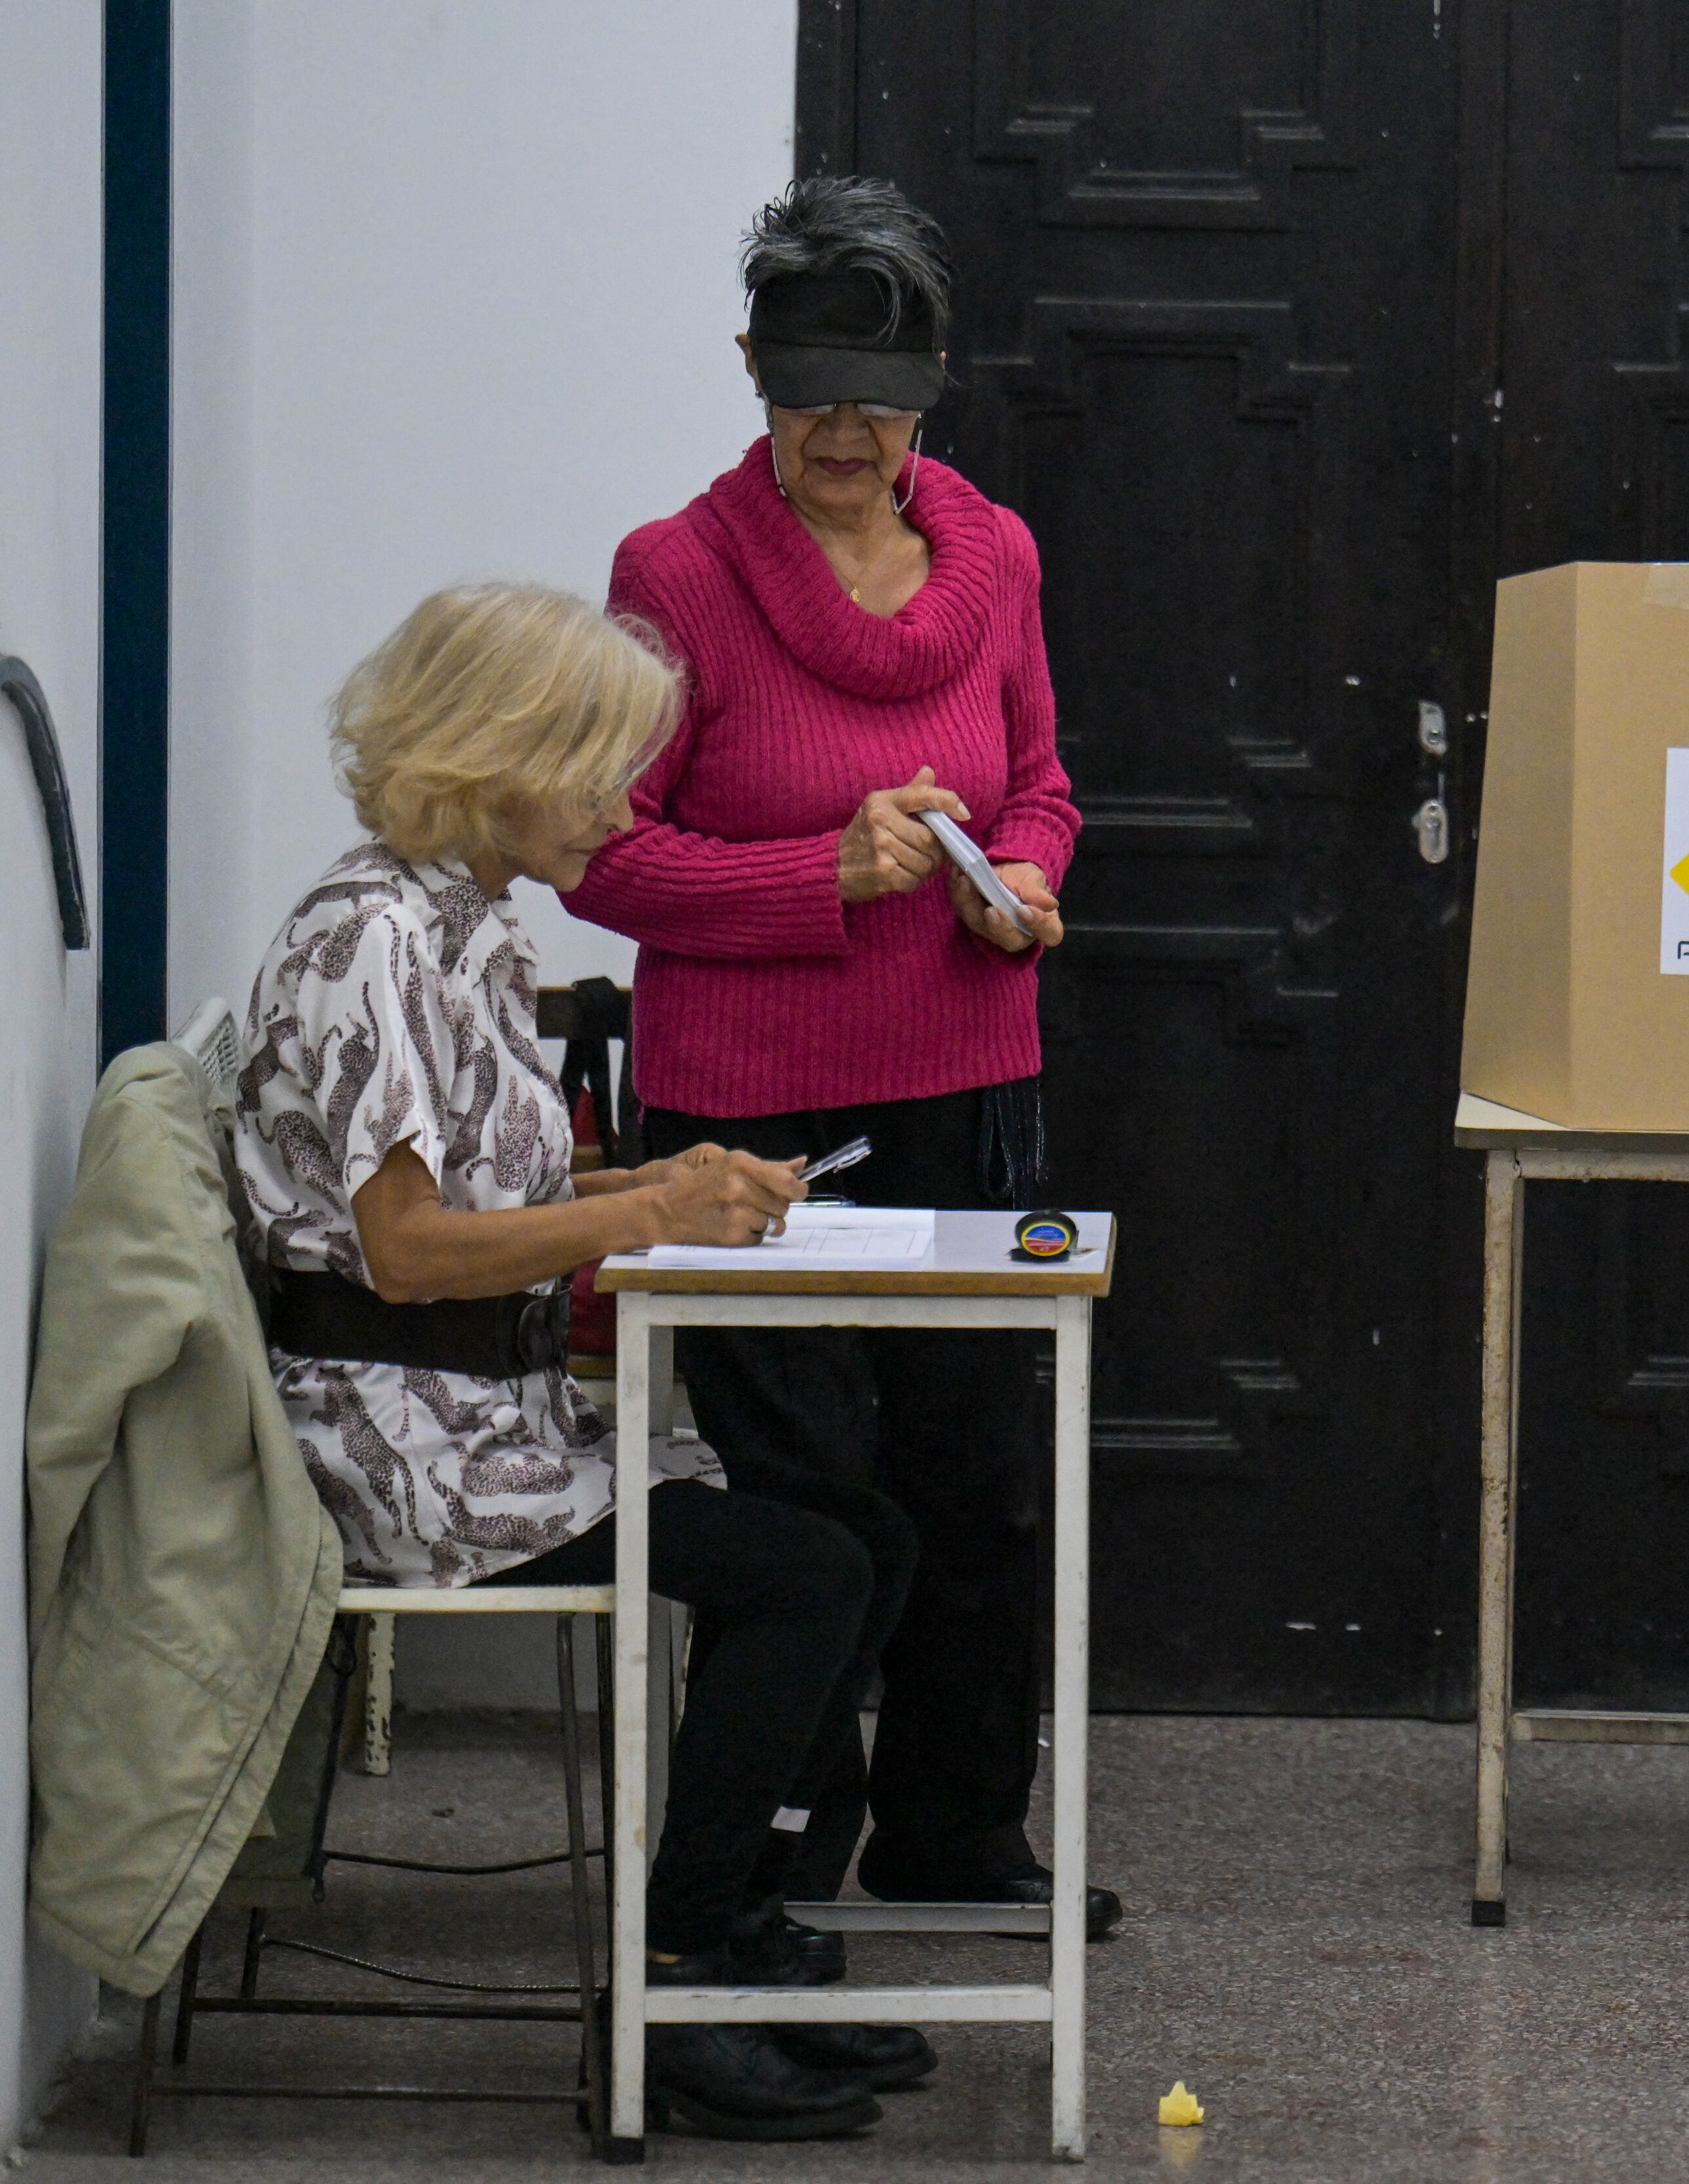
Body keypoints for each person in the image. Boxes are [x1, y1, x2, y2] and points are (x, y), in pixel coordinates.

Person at [238, 582, 933, 2139]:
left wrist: (668, 1188)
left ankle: (733, 1937)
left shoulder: (465, 928)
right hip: (403, 1446)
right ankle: (678, 1973)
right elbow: (408, 1252)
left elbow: (504, 1201)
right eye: (602, 768)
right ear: (495, 753)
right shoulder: (366, 945)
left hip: (486, 1410)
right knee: (806, 1568)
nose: (628, 809)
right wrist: (645, 1211)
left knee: (860, 1533)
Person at [565, 175, 1102, 1928]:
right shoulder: (676, 574)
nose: (850, 437)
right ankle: (784, 1847)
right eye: (812, 401)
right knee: (804, 1494)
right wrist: (826, 868)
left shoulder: (1003, 550)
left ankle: (962, 1838)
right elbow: (600, 853)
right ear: (752, 377)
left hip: (964, 1076)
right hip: (742, 1102)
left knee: (973, 1473)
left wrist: (1024, 868)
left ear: (931, 392)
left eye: (882, 403)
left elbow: (1039, 779)